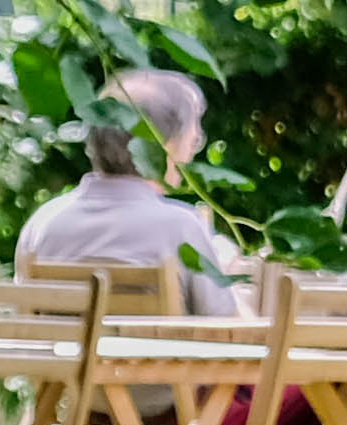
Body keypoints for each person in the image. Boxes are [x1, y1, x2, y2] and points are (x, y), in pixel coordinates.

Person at [13, 67, 244, 301]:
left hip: (66, 339)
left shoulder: (42, 225)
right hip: (155, 340)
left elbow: (24, 326)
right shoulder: (181, 229)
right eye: (192, 141)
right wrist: (228, 275)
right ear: (164, 147)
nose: (190, 155)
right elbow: (231, 329)